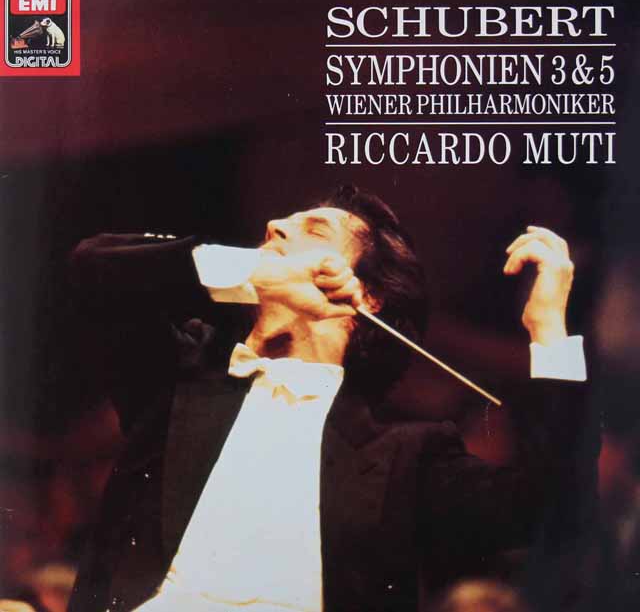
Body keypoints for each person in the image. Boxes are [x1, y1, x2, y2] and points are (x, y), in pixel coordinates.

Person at [67, 185, 598, 612]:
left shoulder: (407, 455)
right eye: (280, 226)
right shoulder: (179, 376)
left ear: (367, 296)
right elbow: (94, 267)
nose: (274, 227)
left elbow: (549, 508)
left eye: (314, 229)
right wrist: (256, 272)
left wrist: (548, 330)